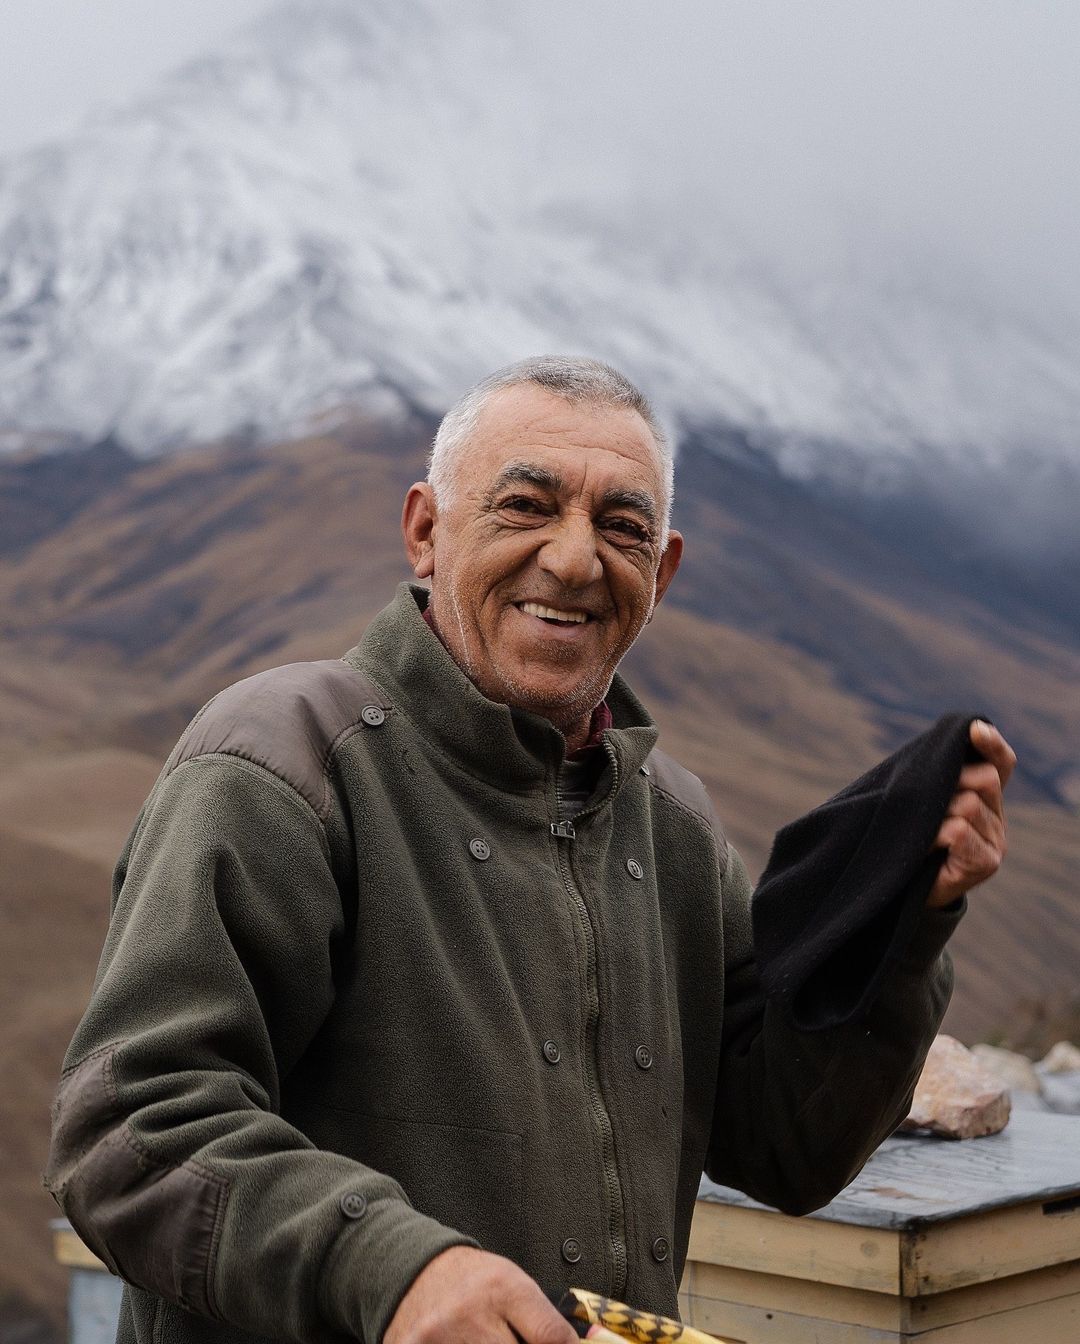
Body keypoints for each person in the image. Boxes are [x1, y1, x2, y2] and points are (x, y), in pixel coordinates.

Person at [46, 357, 1015, 1344]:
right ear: (426, 530)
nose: (575, 559)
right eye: (526, 506)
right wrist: (395, 1269)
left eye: (622, 527)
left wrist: (903, 923)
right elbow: (130, 1134)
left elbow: (788, 1150)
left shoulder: (672, 827)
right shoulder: (283, 765)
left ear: (664, 573)